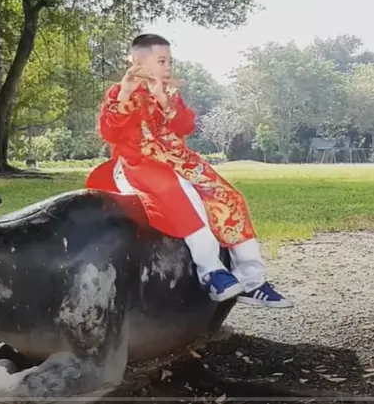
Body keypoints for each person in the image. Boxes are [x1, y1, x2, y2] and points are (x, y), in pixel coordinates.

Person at [86, 33, 293, 308]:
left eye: (170, 61)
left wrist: (163, 98)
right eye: (162, 61)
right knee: (180, 194)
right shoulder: (119, 92)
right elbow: (108, 132)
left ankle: (252, 279)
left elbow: (185, 127)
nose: (168, 66)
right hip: (137, 165)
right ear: (137, 61)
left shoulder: (170, 93)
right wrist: (125, 93)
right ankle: (211, 271)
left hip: (179, 162)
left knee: (228, 197)